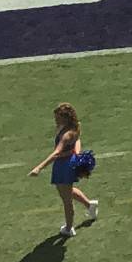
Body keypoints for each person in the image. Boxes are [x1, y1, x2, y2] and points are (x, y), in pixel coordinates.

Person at [28, 101, 99, 235]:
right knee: (67, 191)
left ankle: (69, 228)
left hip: (64, 165)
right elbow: (77, 141)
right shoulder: (76, 126)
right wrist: (75, 153)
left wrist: (39, 167)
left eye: (58, 117)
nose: (55, 120)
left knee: (66, 199)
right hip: (67, 162)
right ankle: (90, 205)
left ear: (65, 117)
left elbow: (56, 153)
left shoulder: (66, 134)